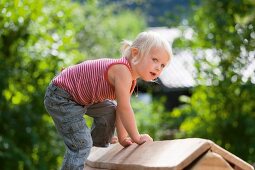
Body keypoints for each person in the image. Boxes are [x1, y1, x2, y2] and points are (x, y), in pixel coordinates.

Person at [44, 31, 172, 170]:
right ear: (135, 53)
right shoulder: (122, 71)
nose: (158, 67)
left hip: (79, 96)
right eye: (154, 60)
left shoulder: (130, 78)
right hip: (62, 96)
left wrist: (123, 138)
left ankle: (98, 143)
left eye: (163, 65)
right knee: (81, 145)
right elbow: (125, 108)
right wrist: (136, 137)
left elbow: (119, 110)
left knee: (110, 108)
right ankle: (86, 149)